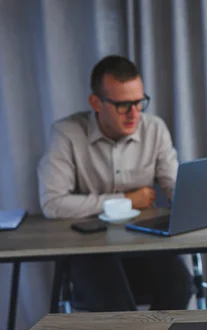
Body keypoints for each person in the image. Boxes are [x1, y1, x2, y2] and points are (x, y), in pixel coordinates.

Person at [38, 55, 192, 311]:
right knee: (113, 300)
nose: (135, 114)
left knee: (180, 286)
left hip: (146, 242)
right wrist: (127, 200)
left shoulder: (155, 129)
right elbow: (53, 204)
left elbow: (176, 188)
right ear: (96, 103)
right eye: (123, 105)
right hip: (89, 249)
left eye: (139, 102)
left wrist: (190, 199)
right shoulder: (66, 133)